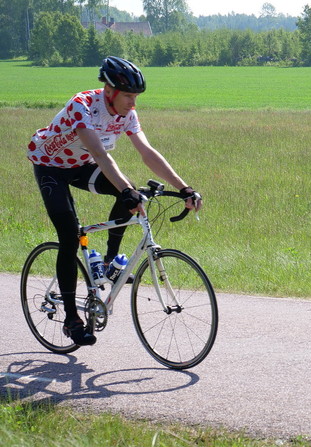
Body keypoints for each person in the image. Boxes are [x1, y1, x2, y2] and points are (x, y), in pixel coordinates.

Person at [27, 56, 202, 346]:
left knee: (132, 191)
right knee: (70, 237)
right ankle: (72, 319)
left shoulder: (127, 114)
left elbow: (147, 152)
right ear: (109, 91)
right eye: (129, 96)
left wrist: (184, 187)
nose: (133, 103)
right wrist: (125, 190)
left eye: (136, 96)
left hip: (81, 165)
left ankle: (109, 261)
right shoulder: (82, 105)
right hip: (51, 167)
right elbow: (100, 154)